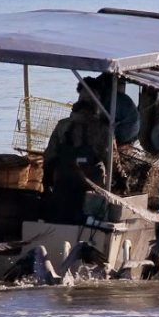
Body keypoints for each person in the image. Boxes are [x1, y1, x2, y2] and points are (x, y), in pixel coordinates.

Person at [42, 77, 110, 222]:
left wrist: (46, 180)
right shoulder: (103, 129)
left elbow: (49, 157)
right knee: (89, 220)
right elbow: (111, 161)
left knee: (60, 220)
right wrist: (121, 181)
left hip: (63, 184)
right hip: (91, 189)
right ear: (98, 99)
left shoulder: (63, 126)